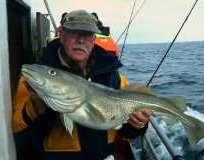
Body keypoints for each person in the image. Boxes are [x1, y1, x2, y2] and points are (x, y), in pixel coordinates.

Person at [13, 10, 151, 160]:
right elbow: (21, 140)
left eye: (87, 35)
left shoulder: (114, 77)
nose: (80, 40)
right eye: (74, 33)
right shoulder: (37, 77)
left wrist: (138, 124)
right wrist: (38, 107)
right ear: (62, 36)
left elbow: (127, 132)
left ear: (93, 40)